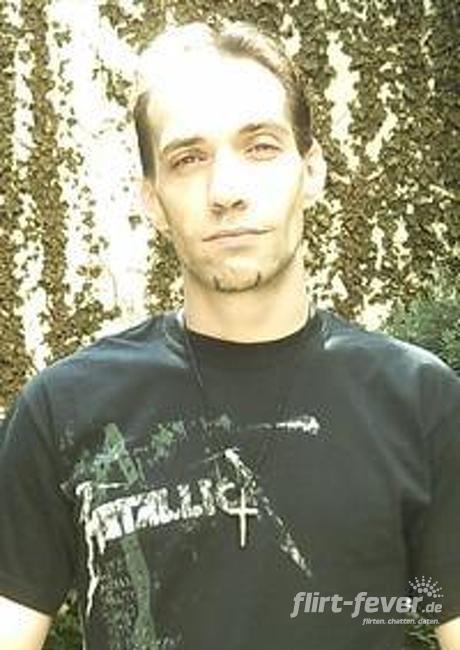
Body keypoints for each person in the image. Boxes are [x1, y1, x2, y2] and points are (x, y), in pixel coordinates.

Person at [0, 19, 459, 650]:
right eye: (188, 159)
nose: (226, 191)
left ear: (312, 171)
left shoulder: (421, 401)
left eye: (261, 146)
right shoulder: (63, 409)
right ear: (152, 200)